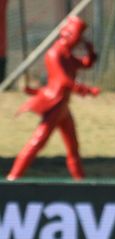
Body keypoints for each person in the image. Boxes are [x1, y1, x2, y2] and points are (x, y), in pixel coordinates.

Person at [6, 16, 99, 181]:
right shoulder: (54, 53)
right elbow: (63, 80)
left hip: (64, 107)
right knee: (38, 142)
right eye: (78, 37)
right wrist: (86, 90)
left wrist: (90, 51)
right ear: (69, 35)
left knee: (73, 146)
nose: (78, 41)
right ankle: (13, 178)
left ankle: (81, 182)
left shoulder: (68, 55)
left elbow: (85, 64)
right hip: (54, 104)